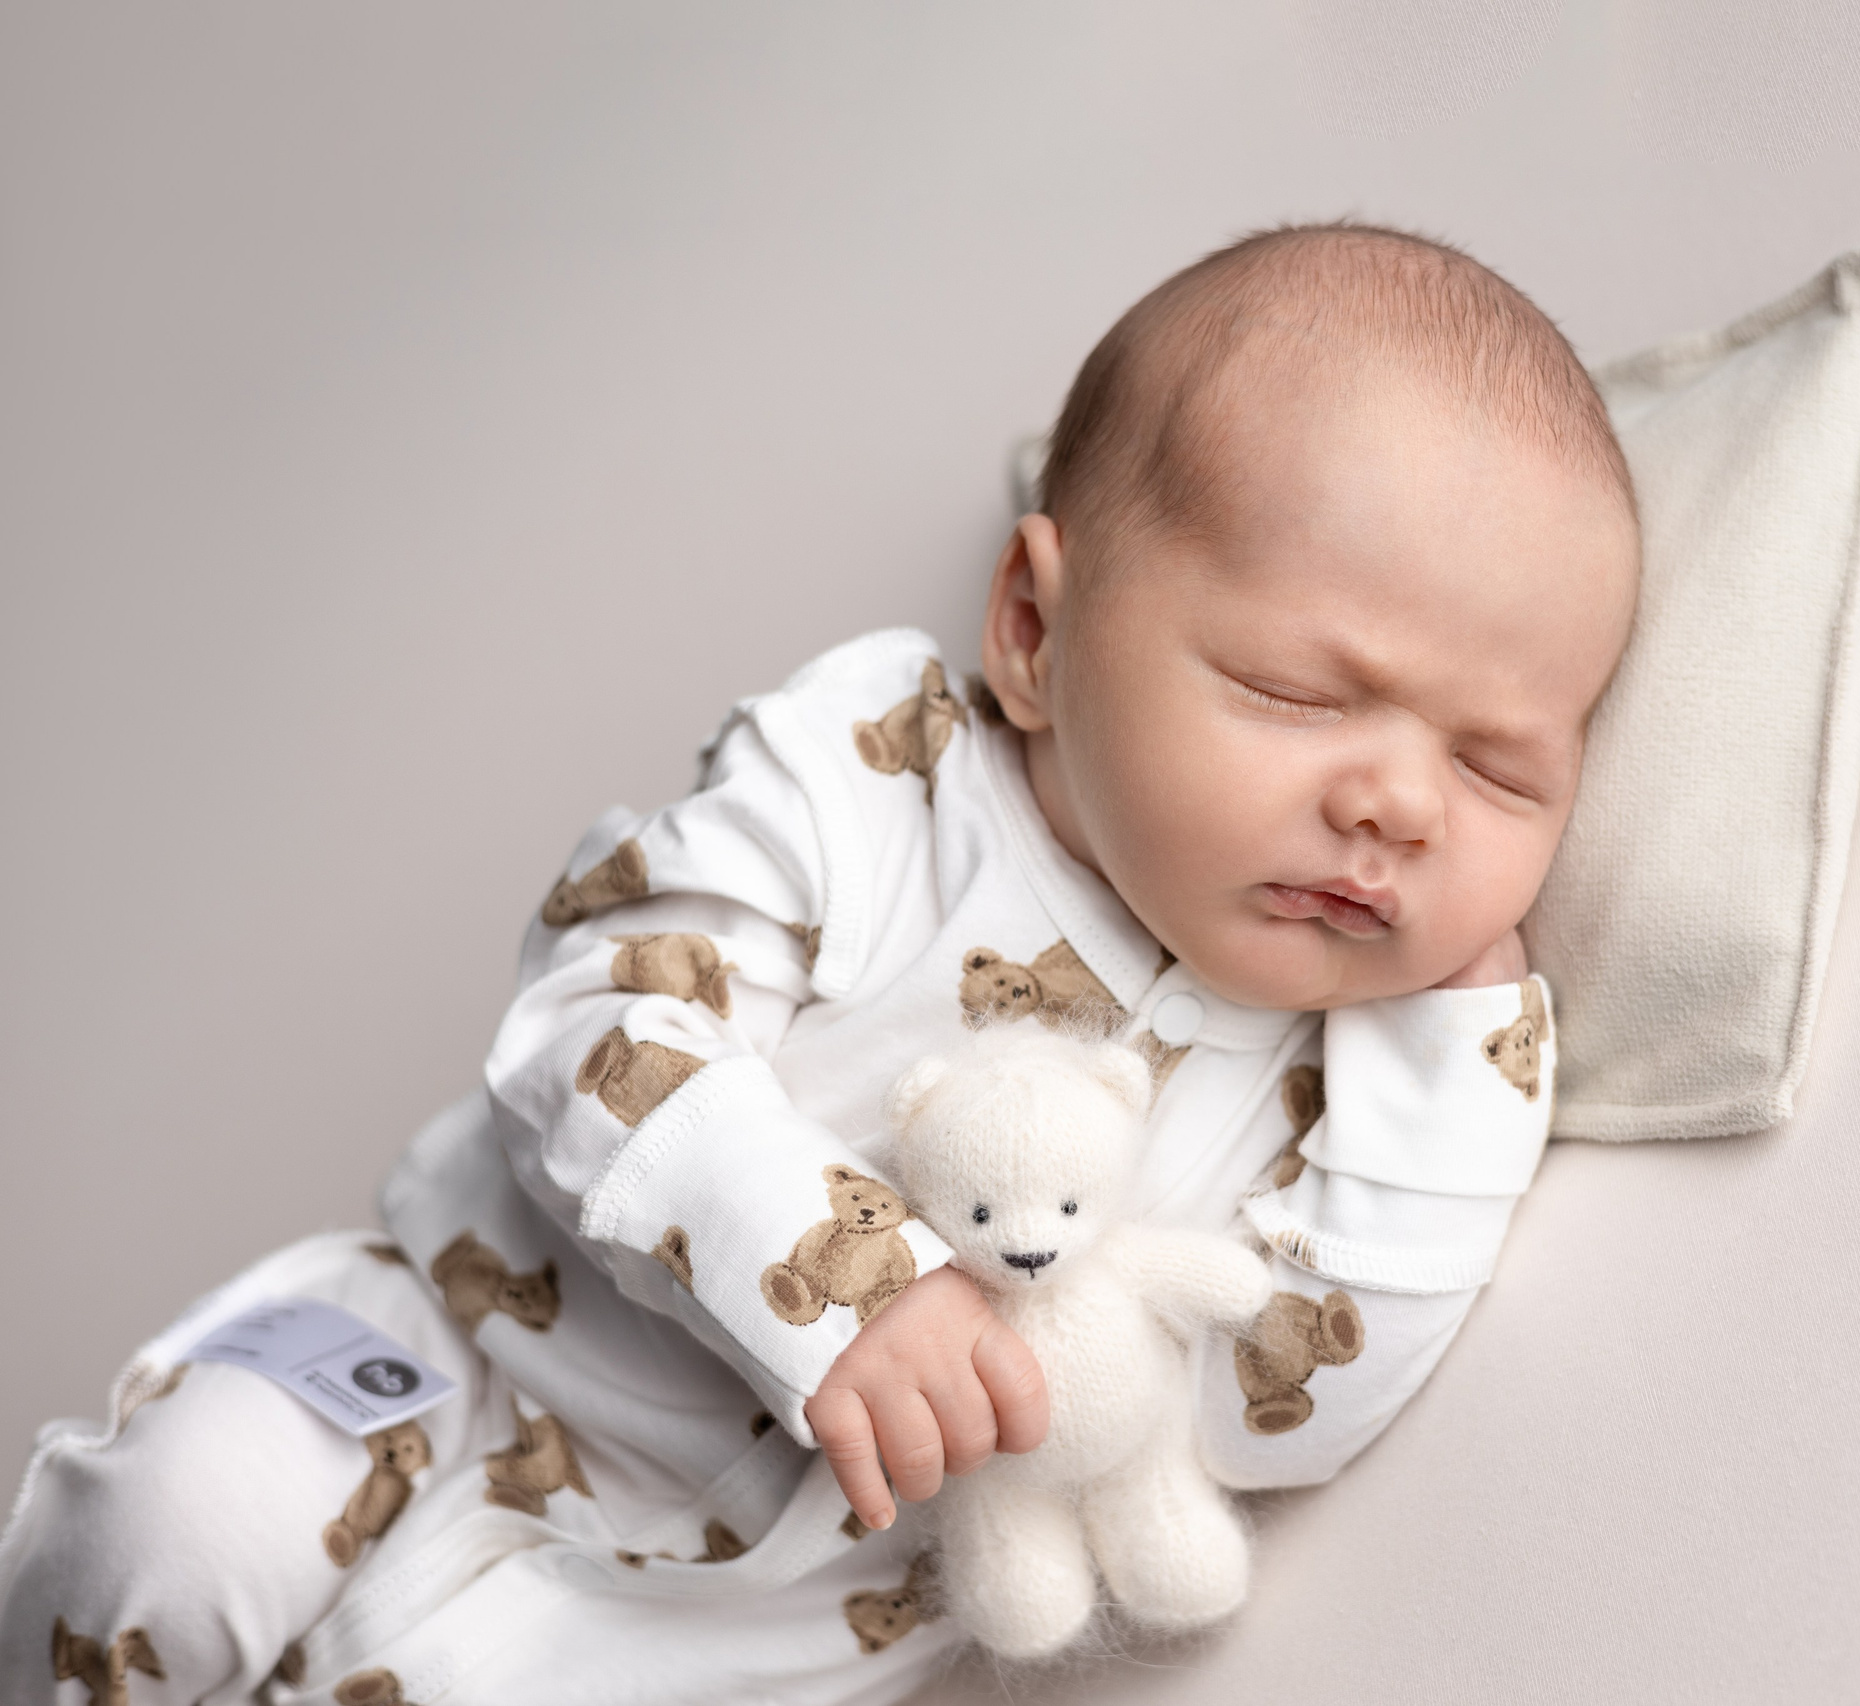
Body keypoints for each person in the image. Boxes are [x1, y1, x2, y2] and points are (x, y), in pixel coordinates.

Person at [0, 221, 1639, 1705]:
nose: (1402, 804)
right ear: (1034, 633)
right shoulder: (879, 771)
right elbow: (603, 1010)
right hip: (456, 1363)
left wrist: (1459, 1065)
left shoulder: (1335, 1079)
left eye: (1502, 771)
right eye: (1298, 689)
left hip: (699, 1647)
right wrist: (853, 1275)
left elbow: (1277, 1405)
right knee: (177, 1513)